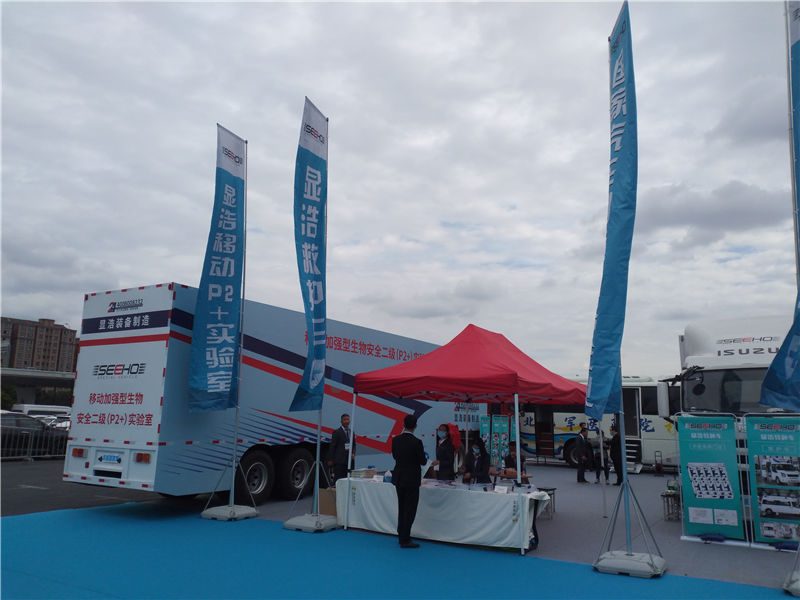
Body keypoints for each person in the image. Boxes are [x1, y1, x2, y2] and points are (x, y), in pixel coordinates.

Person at [391, 414, 427, 548]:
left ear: (403, 424)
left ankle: (401, 533)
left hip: (399, 477)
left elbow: (395, 456)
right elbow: (422, 461)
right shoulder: (417, 442)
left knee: (401, 507)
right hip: (412, 479)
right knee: (410, 509)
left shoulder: (396, 440)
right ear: (415, 426)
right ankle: (405, 538)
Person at [327, 413, 355, 484]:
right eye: (344, 420)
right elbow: (332, 446)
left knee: (348, 479)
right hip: (339, 461)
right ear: (341, 421)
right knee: (339, 479)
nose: (346, 421)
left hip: (349, 461)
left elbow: (354, 445)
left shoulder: (351, 432)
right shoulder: (337, 432)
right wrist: (330, 459)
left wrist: (353, 453)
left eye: (348, 419)